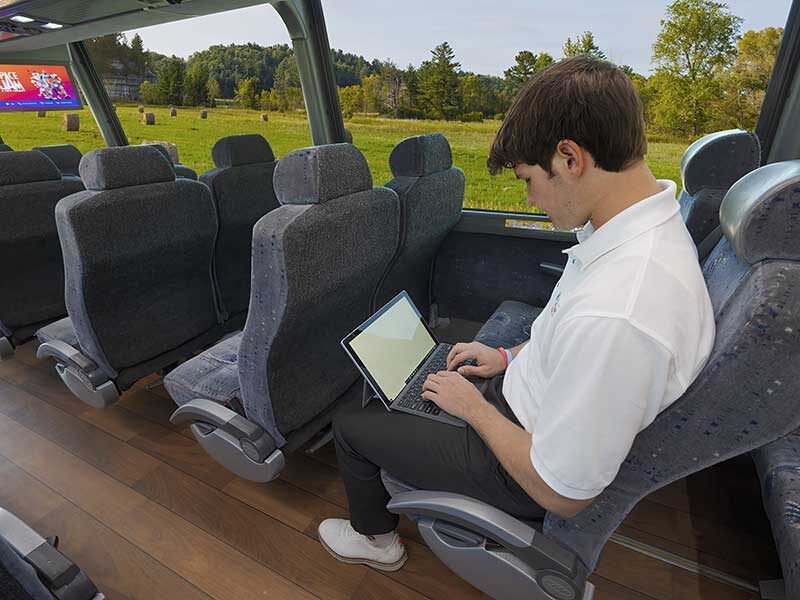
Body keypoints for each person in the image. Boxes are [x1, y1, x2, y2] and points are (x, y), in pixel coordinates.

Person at [317, 55, 715, 571]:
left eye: (529, 178)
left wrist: (474, 410)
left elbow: (561, 491)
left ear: (569, 158)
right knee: (418, 391)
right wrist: (507, 356)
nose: (529, 197)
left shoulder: (621, 312)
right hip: (526, 402)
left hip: (522, 466)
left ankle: (375, 542)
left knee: (351, 425)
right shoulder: (628, 232)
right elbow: (565, 337)